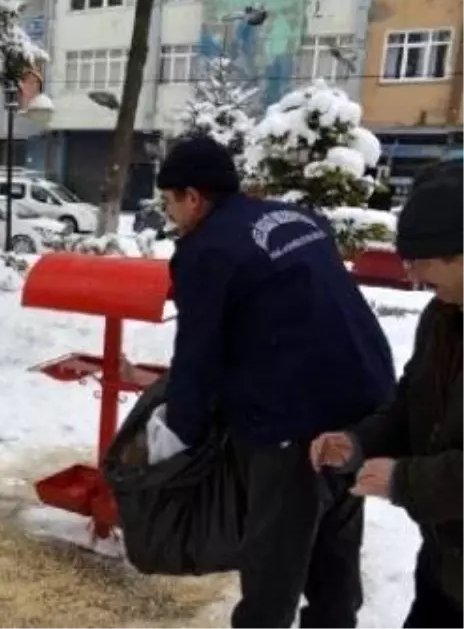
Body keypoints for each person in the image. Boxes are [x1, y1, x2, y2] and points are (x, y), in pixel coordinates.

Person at [156, 136, 396, 629]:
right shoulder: (297, 218)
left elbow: (197, 354)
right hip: (367, 397)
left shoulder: (206, 250)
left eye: (169, 201)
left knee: (275, 557)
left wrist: (177, 432)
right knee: (336, 536)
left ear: (193, 197)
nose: (169, 214)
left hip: (295, 416)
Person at [311, 162, 464, 628]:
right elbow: (408, 407)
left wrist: (405, 481)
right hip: (446, 556)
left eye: (423, 258)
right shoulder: (440, 318)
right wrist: (358, 443)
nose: (412, 273)